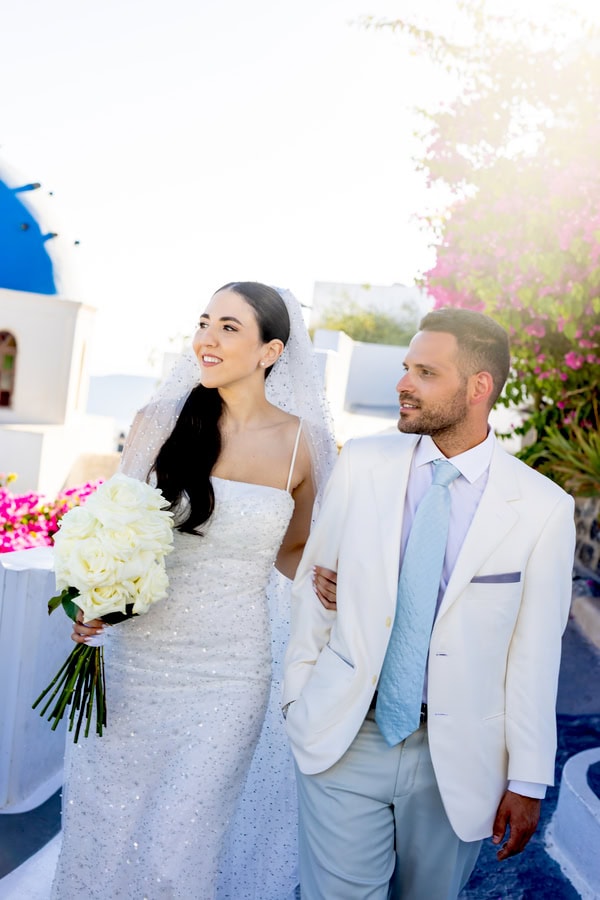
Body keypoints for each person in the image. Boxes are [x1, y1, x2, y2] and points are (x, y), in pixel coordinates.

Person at [51, 282, 337, 900]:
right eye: (205, 322)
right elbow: (117, 527)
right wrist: (93, 598)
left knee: (184, 841)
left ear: (271, 351)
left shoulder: (305, 445)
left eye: (230, 327)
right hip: (134, 664)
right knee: (106, 826)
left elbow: (297, 551)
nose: (207, 338)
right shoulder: (159, 421)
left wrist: (330, 582)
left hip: (229, 676)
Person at [283, 307, 576, 900]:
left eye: (425, 372)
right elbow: (314, 588)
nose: (403, 383)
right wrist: (299, 695)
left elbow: (535, 656)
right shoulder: (363, 465)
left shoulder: (543, 508)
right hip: (348, 730)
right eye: (404, 368)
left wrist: (528, 780)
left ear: (478, 388)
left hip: (459, 759)